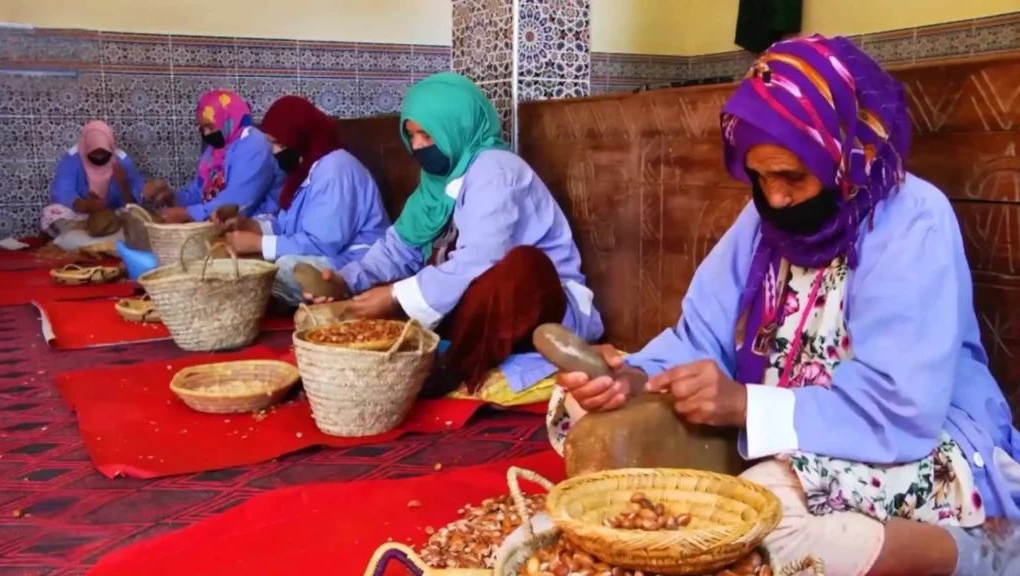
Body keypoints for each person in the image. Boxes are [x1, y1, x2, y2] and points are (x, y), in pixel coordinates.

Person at [553, 36, 1020, 576]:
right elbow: (697, 337)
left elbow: (901, 407)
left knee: (762, 529)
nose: (774, 198)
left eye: (793, 177)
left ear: (846, 152)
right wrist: (633, 379)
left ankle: (987, 553)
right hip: (790, 432)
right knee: (591, 422)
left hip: (915, 438)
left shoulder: (912, 218)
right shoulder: (760, 226)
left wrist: (745, 407)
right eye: (759, 177)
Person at [306, 72, 604, 399]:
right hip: (471, 300)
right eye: (412, 136)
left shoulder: (496, 169)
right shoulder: (436, 182)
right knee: (398, 290)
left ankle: (451, 369)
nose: (417, 147)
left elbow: (479, 259)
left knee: (523, 268)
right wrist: (347, 281)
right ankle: (433, 351)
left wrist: (393, 296)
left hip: (537, 305)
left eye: (427, 136)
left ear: (457, 128)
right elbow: (398, 248)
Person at [218, 95, 389, 306]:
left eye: (279, 144)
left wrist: (258, 243)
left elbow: (323, 243)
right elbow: (287, 224)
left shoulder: (336, 169)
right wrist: (251, 226)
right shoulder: (304, 169)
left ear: (301, 137)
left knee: (284, 269)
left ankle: (331, 295)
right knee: (243, 262)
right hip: (325, 253)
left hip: (353, 261)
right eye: (271, 143)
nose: (274, 152)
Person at [143, 90, 284, 223]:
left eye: (210, 127)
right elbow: (199, 192)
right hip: (224, 227)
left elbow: (237, 204)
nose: (206, 134)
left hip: (259, 230)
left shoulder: (255, 145)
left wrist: (187, 214)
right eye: (202, 129)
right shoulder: (216, 149)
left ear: (227, 118)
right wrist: (172, 197)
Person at [41, 120, 144, 239]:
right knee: (51, 213)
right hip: (79, 216)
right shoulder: (72, 158)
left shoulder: (121, 160)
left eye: (104, 154)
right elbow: (61, 194)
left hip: (112, 214)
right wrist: (88, 205)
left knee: (136, 217)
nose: (100, 158)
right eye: (94, 154)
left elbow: (133, 203)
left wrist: (123, 183)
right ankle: (86, 233)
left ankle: (88, 236)